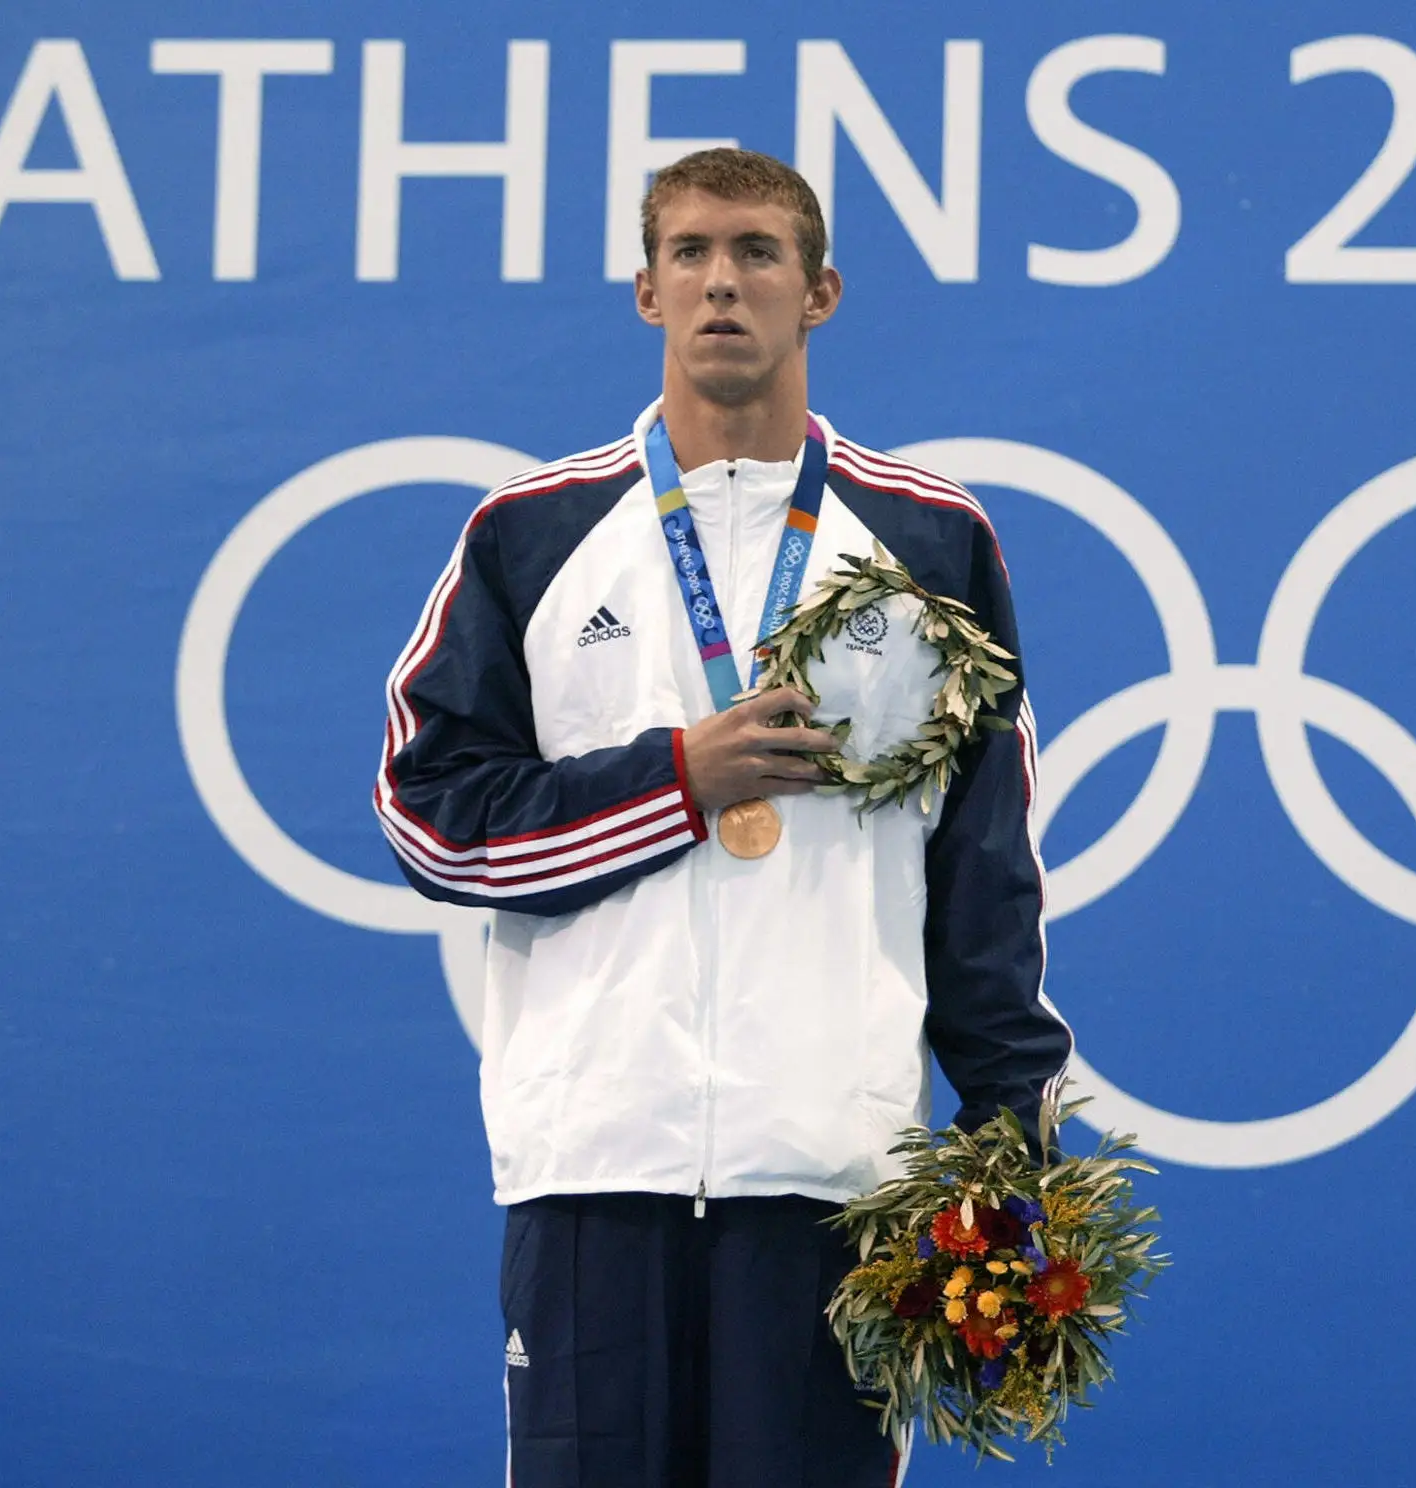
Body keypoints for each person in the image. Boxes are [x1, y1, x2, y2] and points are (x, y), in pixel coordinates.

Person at [373, 147, 1073, 1487]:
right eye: (688, 253)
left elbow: (983, 880)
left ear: (822, 292)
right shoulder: (532, 532)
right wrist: (675, 782)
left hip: (834, 1178)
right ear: (644, 293)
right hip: (594, 1172)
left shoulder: (930, 543)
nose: (721, 284)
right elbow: (431, 819)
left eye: (757, 252)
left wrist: (1011, 1160)